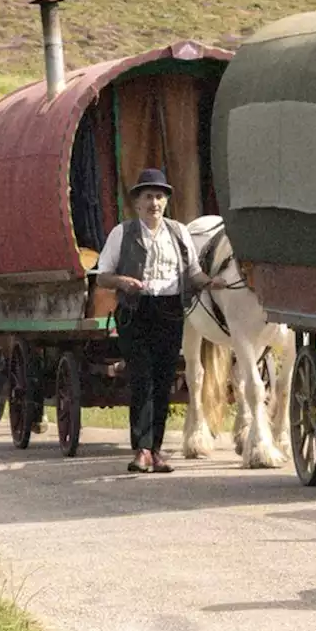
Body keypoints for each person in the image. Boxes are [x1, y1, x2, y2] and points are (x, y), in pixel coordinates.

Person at [95, 168, 224, 474]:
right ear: (137, 203)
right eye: (148, 197)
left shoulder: (178, 233)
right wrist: (123, 281)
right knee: (142, 378)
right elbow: (102, 276)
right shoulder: (122, 233)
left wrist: (210, 282)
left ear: (166, 202)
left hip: (169, 310)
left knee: (164, 380)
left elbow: (192, 272)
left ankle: (156, 449)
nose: (155, 202)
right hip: (135, 311)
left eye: (160, 197)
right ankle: (141, 449)